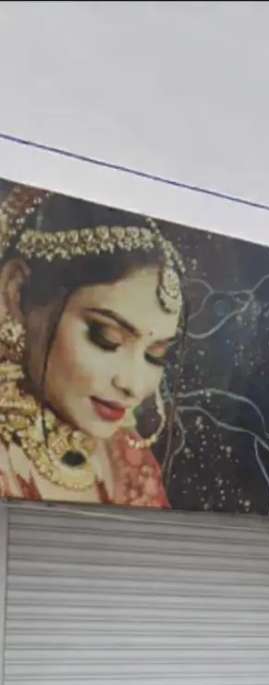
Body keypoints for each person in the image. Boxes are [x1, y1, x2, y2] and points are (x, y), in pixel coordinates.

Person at [0, 183, 185, 506]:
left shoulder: (125, 456)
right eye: (106, 338)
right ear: (15, 292)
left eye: (155, 355)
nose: (132, 385)